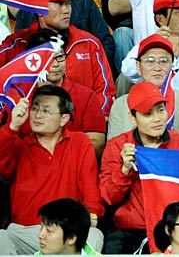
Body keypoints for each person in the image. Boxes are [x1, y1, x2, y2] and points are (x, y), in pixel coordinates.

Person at [0, 86, 104, 255]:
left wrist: (91, 216)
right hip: (25, 232)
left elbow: (90, 186)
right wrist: (12, 126)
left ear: (64, 118)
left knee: (94, 235)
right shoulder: (18, 145)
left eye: (46, 110)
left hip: (66, 231)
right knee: (1, 237)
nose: (37, 115)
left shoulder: (79, 142)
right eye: (34, 109)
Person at [101, 82, 179, 254]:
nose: (157, 119)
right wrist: (124, 170)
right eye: (148, 114)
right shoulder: (117, 146)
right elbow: (109, 198)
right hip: (131, 231)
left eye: (161, 110)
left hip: (173, 228)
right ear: (132, 118)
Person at [0, 0, 115, 114]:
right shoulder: (16, 45)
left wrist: (91, 121)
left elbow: (105, 93)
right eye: (59, 3)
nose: (66, 10)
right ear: (40, 9)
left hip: (83, 123)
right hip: (30, 123)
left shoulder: (89, 44)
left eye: (68, 3)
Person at [108, 33, 179, 139]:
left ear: (172, 66)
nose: (157, 68)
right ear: (138, 66)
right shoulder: (121, 104)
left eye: (164, 61)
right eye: (150, 61)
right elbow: (114, 145)